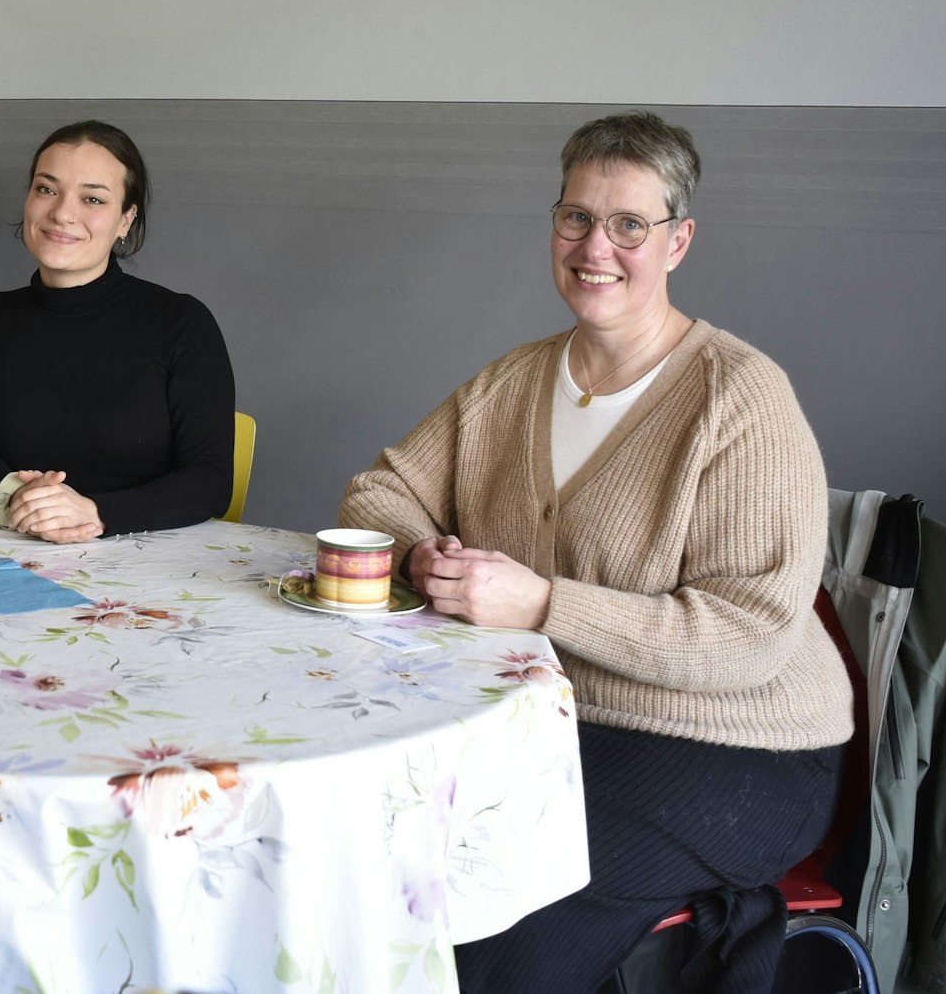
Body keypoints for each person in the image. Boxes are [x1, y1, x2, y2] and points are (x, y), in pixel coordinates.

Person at [339, 111, 852, 992]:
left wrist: (543, 605)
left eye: (629, 224)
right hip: (558, 724)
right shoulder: (512, 381)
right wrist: (426, 556)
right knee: (370, 853)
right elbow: (378, 495)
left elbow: (752, 633)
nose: (595, 246)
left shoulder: (740, 397)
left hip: (739, 752)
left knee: (495, 915)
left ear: (678, 240)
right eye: (576, 217)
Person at [0, 120, 235, 542]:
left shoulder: (182, 321)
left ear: (126, 219)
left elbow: (210, 482)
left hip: (148, 558)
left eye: (93, 199)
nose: (62, 213)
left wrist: (92, 513)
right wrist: (22, 500)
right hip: (16, 542)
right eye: (46, 189)